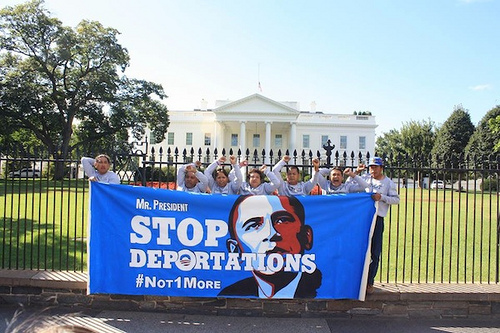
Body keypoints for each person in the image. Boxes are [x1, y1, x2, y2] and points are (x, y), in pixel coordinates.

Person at [219, 195, 322, 298]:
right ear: (235, 250)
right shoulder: (231, 293)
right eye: (254, 225)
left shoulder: (325, 287)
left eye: (282, 221)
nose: (270, 233)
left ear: (306, 236)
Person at [363, 156, 400, 295]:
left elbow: (396, 200)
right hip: (364, 218)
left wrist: (382, 197)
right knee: (362, 250)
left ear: (381, 168)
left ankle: (370, 281)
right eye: (371, 167)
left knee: (375, 252)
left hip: (378, 218)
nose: (373, 170)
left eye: (375, 167)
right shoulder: (366, 179)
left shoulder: (388, 183)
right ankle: (361, 280)